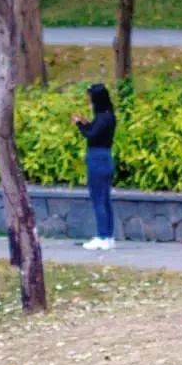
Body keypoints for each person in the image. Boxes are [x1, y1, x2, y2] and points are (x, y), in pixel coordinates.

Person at [73, 82, 117, 250]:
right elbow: (95, 130)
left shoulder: (103, 117)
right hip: (105, 156)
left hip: (97, 157)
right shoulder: (107, 115)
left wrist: (79, 124)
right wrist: (86, 122)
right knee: (105, 199)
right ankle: (108, 236)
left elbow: (90, 135)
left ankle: (102, 236)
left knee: (98, 199)